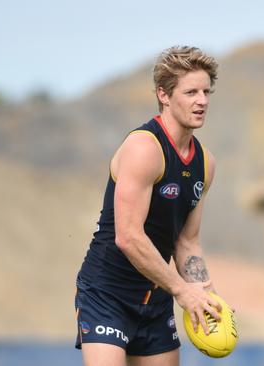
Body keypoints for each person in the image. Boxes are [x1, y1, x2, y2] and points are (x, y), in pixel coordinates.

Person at [74, 46, 224, 366]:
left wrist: (205, 293)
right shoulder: (144, 148)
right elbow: (128, 237)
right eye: (191, 92)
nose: (202, 100)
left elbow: (187, 241)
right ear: (164, 95)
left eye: (206, 91)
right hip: (107, 295)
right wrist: (182, 291)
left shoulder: (205, 163)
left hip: (156, 299)